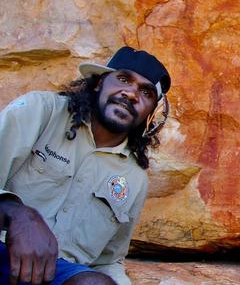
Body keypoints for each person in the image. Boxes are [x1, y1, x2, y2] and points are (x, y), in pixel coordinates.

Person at [0, 47, 170, 285]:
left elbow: (109, 260)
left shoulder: (134, 179)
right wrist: (18, 213)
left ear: (150, 113)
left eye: (146, 92)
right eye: (123, 79)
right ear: (99, 83)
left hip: (56, 274)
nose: (131, 94)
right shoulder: (40, 111)